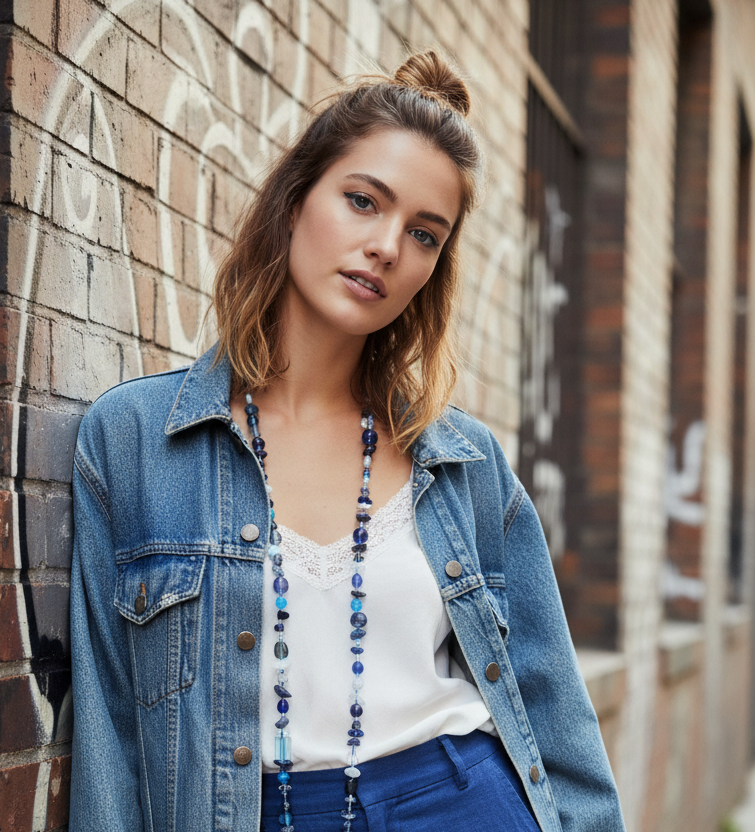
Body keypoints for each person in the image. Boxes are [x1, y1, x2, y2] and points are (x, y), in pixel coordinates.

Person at [69, 51, 625, 832]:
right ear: (296, 200)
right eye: (364, 200)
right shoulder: (134, 440)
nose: (389, 247)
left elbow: (553, 708)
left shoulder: (462, 463)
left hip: (460, 800)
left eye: (425, 234)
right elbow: (111, 727)